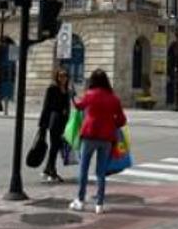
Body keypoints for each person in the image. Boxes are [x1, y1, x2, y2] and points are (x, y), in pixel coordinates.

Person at [70, 69, 126, 215]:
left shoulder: (90, 95)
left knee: (84, 168)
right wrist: (112, 123)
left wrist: (72, 97)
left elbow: (79, 106)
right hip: (106, 138)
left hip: (89, 135)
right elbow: (122, 120)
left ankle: (80, 201)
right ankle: (99, 204)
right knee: (101, 172)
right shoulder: (114, 98)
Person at [38, 68, 73, 183]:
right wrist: (42, 124)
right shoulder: (52, 88)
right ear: (56, 77)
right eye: (60, 76)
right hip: (54, 120)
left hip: (63, 121)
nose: (63, 78)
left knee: (56, 146)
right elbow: (46, 106)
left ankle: (48, 169)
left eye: (65, 76)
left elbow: (68, 105)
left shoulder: (67, 89)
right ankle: (52, 170)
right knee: (54, 146)